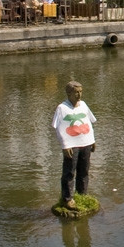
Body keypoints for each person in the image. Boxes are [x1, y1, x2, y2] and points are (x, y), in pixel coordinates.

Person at [52, 81, 97, 210]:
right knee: (69, 172)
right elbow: (59, 128)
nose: (79, 95)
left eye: (81, 91)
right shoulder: (62, 108)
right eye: (76, 92)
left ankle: (82, 194)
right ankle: (68, 198)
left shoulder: (83, 105)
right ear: (69, 93)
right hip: (71, 145)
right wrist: (65, 145)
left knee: (84, 170)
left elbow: (89, 123)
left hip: (86, 143)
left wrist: (92, 140)